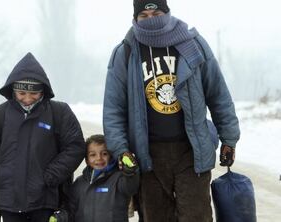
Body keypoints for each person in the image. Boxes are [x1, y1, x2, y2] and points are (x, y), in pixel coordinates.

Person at [103, 0, 241, 221]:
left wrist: (229, 138)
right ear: (135, 18)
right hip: (148, 156)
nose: (151, 19)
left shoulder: (192, 45)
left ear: (166, 12)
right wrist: (121, 149)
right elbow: (113, 108)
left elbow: (218, 94)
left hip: (191, 151)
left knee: (197, 216)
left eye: (156, 12)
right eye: (144, 16)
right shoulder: (126, 52)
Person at [0, 52, 86, 222]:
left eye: (34, 94)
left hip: (48, 201)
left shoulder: (59, 112)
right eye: (22, 93)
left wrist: (52, 175)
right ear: (13, 90)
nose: (28, 99)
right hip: (10, 203)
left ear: (43, 91)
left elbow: (76, 147)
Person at [67, 134, 139, 222]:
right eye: (93, 155)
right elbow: (70, 210)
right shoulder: (79, 182)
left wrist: (130, 172)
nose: (99, 158)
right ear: (87, 160)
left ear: (111, 156)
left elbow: (131, 187)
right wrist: (62, 217)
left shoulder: (119, 178)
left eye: (104, 153)